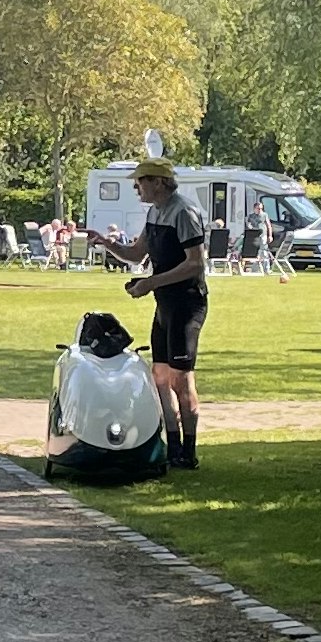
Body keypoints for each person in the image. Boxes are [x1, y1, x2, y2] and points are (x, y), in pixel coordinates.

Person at [82, 160, 208, 469]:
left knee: (181, 380)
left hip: (186, 304)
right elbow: (138, 253)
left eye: (140, 181)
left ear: (160, 182)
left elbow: (195, 264)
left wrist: (151, 282)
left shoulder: (184, 212)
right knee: (159, 377)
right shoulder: (155, 212)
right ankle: (172, 445)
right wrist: (107, 243)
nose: (136, 187)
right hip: (164, 304)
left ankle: (188, 453)